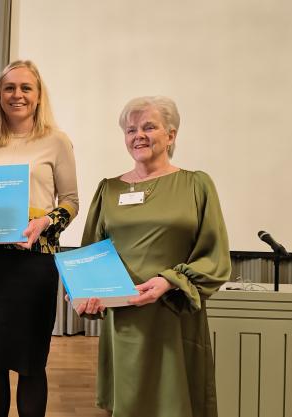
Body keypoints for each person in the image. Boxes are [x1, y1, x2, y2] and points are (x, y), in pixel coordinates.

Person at [78, 96, 231, 417]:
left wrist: (168, 281)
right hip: (125, 319)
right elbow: (91, 254)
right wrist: (85, 292)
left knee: (175, 404)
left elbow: (215, 256)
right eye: (131, 129)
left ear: (171, 135)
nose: (139, 135)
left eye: (149, 126)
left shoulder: (196, 185)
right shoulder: (109, 189)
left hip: (173, 314)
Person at [0, 60, 79, 417]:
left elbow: (72, 203)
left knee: (31, 362)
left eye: (25, 88)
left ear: (38, 94)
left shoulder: (57, 141)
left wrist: (45, 222)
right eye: (9, 87)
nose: (17, 95)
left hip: (34, 265)